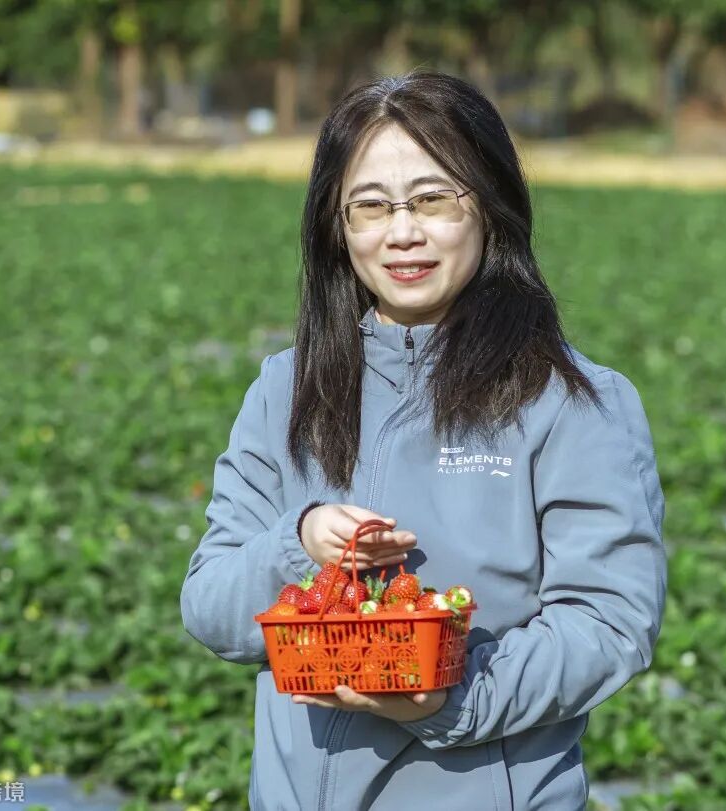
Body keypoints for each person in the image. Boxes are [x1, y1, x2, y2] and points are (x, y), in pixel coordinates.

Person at [179, 69, 667, 811]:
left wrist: (447, 695)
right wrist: (299, 545)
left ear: (491, 206)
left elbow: (609, 623)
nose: (402, 232)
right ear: (336, 227)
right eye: (370, 207)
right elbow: (210, 605)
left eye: (433, 199)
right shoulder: (285, 389)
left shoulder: (570, 401)